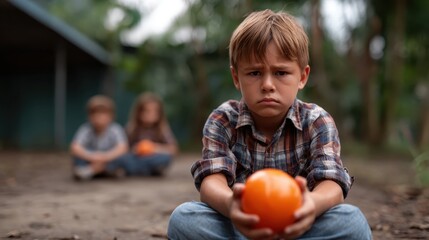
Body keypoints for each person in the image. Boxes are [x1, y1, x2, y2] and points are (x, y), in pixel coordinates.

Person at [168, 9, 371, 239]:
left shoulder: (317, 121)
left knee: (351, 222)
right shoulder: (223, 120)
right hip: (242, 226)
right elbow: (211, 181)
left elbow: (332, 184)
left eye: (281, 72)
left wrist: (311, 205)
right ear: (236, 77)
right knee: (184, 218)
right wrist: (232, 206)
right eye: (254, 72)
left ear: (302, 77)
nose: (267, 85)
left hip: (300, 227)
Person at [70, 95, 129, 180]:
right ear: (89, 116)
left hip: (109, 158)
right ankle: (105, 171)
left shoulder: (115, 129)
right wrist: (92, 156)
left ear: (111, 116)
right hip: (91, 158)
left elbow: (123, 148)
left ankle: (91, 171)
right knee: (78, 157)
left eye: (102, 114)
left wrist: (105, 157)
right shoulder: (85, 129)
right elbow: (75, 147)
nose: (98, 118)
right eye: (95, 114)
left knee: (123, 158)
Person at [124, 92, 178, 176]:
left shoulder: (162, 129)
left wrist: (153, 148)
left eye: (155, 111)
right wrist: (136, 149)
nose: (151, 114)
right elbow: (124, 148)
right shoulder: (131, 128)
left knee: (165, 158)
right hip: (137, 158)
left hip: (153, 157)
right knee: (123, 160)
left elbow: (173, 149)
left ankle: (141, 170)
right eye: (147, 111)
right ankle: (145, 170)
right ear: (139, 112)